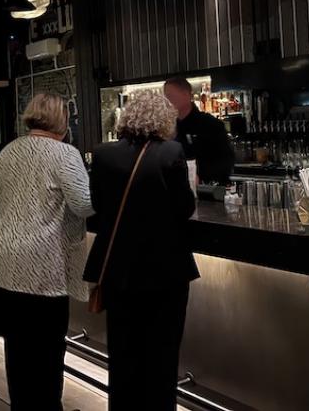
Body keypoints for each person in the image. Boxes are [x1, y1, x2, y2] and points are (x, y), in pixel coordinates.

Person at [84, 92, 199, 411]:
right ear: (164, 119)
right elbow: (184, 208)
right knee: (162, 356)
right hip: (164, 271)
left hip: (118, 270)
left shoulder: (103, 154)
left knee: (123, 355)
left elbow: (97, 206)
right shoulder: (171, 152)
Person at [0, 93, 92, 411]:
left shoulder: (10, 150)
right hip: (42, 266)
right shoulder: (64, 153)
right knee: (47, 352)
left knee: (18, 350)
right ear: (62, 120)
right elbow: (84, 204)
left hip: (4, 260)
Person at [163, 77, 234, 185]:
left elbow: (226, 162)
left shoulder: (210, 124)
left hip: (209, 190)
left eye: (170, 96)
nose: (166, 102)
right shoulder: (169, 128)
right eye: (165, 98)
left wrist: (200, 176)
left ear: (186, 95)